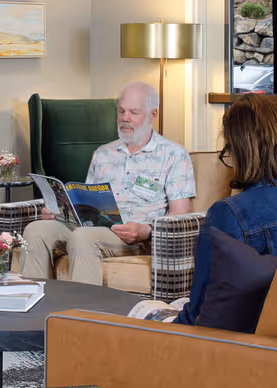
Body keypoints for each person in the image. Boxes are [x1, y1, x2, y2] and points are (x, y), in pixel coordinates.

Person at [175, 94, 277, 325]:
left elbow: (200, 313)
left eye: (228, 151)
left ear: (240, 151)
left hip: (243, 350)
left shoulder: (228, 214)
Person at [20, 82, 196, 287]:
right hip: (93, 227)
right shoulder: (103, 153)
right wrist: (60, 212)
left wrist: (146, 230)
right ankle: (34, 309)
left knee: (83, 238)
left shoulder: (174, 155)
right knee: (36, 230)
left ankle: (83, 316)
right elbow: (85, 204)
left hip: (137, 238)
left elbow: (181, 214)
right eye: (121, 111)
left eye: (133, 112)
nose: (125, 118)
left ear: (153, 115)